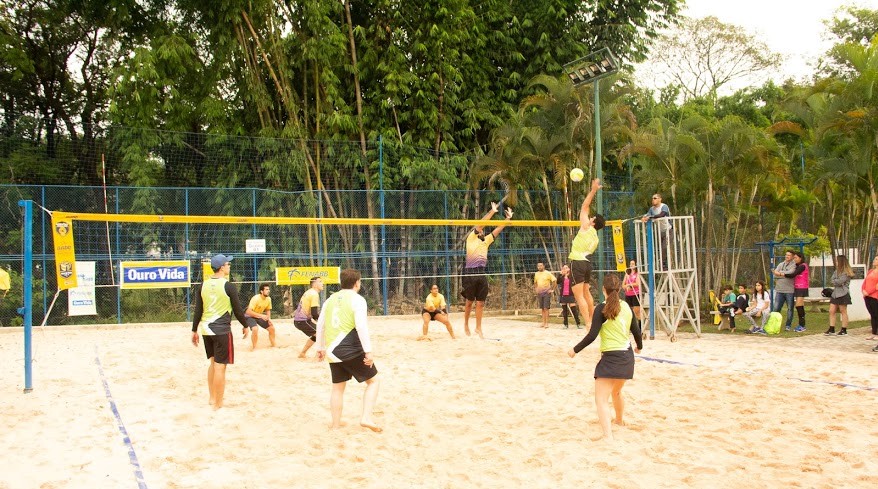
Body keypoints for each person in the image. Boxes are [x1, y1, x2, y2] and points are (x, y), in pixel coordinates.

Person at [567, 273, 643, 441]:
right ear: (619, 289)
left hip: (611, 359)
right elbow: (637, 332)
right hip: (627, 359)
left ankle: (608, 436)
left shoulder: (601, 308)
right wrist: (640, 347)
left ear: (603, 289)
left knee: (601, 399)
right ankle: (619, 421)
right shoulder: (627, 308)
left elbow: (592, 336)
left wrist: (575, 349)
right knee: (616, 392)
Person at [316, 269, 381, 432]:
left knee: (337, 388)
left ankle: (336, 425)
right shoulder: (358, 300)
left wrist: (320, 347)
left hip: (331, 350)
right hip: (349, 348)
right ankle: (366, 417)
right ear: (357, 283)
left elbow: (320, 325)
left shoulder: (329, 299)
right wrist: (369, 351)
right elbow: (361, 326)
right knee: (374, 381)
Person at [190, 254, 249, 410]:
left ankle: (212, 397)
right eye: (228, 264)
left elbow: (198, 310)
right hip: (222, 330)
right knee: (220, 367)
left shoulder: (203, 285)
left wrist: (194, 330)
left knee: (212, 363)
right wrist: (245, 325)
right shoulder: (228, 286)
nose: (229, 266)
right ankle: (218, 404)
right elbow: (237, 309)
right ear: (222, 267)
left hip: (206, 330)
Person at [461, 202, 513, 339]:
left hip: (481, 272)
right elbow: (481, 224)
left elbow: (497, 230)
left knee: (481, 303)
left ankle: (478, 327)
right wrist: (492, 211)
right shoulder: (471, 238)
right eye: (481, 229)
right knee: (469, 302)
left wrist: (508, 219)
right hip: (470, 272)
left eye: (483, 230)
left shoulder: (486, 241)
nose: (482, 230)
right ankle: (466, 324)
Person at [569, 178, 605, 330]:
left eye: (592, 218)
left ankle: (589, 323)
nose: (589, 218)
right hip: (587, 264)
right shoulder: (596, 237)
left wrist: (593, 190)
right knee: (586, 292)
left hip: (577, 262)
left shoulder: (586, 227)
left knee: (579, 296)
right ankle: (592, 320)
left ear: (593, 222)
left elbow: (585, 206)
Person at [293, 277, 324, 358]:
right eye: (320, 282)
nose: (322, 283)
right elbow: (315, 314)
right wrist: (323, 322)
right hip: (302, 321)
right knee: (320, 334)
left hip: (302, 320)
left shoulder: (310, 292)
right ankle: (319, 355)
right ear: (314, 284)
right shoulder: (314, 294)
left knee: (318, 334)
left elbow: (313, 314)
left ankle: (302, 353)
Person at [641, 193, 672, 269]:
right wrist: (644, 217)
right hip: (659, 231)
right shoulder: (652, 209)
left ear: (660, 199)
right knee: (661, 248)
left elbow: (662, 215)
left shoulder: (664, 206)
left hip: (668, 230)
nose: (653, 200)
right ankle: (663, 264)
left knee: (665, 247)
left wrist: (650, 217)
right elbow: (648, 214)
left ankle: (664, 263)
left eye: (655, 198)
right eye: (652, 198)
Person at [824, 255, 853, 336]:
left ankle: (844, 329)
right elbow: (832, 279)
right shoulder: (836, 271)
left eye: (837, 261)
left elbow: (839, 281)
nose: (836, 262)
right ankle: (831, 328)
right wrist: (836, 281)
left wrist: (836, 281)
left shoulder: (846, 272)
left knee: (843, 311)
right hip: (835, 293)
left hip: (843, 293)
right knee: (831, 310)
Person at [242, 283, 276, 350]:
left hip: (258, 316)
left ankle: (273, 345)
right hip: (249, 316)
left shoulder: (268, 299)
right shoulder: (256, 298)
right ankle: (254, 347)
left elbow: (268, 310)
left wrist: (268, 319)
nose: (268, 291)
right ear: (261, 291)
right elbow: (248, 312)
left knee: (272, 328)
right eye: (266, 289)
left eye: (268, 289)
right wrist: (261, 316)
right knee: (255, 329)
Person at [771, 250, 797, 332]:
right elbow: (774, 273)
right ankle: (774, 325)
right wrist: (782, 274)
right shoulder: (781, 264)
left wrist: (780, 273)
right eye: (786, 255)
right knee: (776, 308)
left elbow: (791, 273)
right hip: (779, 290)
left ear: (792, 256)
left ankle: (788, 325)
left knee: (790, 309)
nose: (787, 256)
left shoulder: (794, 265)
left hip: (790, 291)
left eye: (789, 255)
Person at [787, 251, 809, 332]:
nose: (794, 259)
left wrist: (781, 274)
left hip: (802, 287)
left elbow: (793, 274)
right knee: (800, 305)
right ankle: (802, 324)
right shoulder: (798, 265)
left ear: (801, 258)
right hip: (797, 287)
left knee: (798, 305)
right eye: (794, 258)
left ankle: (802, 325)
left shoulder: (803, 266)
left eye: (796, 258)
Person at [557, 264, 581, 329]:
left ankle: (578, 324)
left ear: (569, 269)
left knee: (574, 309)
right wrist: (560, 274)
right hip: (563, 295)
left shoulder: (571, 276)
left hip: (570, 295)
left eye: (566, 268)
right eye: (563, 268)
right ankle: (565, 324)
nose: (565, 269)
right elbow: (557, 282)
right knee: (564, 311)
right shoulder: (561, 277)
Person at [534, 262, 557, 329]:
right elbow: (535, 282)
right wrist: (536, 289)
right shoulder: (536, 274)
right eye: (538, 266)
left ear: (543, 266)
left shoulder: (547, 273)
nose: (539, 267)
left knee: (546, 308)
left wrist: (552, 290)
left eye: (541, 265)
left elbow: (554, 280)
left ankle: (547, 323)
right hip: (540, 293)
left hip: (546, 293)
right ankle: (543, 322)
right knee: (542, 308)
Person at [861, 256, 878, 341]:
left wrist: (869, 292)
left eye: (876, 259)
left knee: (876, 314)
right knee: (872, 315)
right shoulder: (870, 271)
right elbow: (865, 282)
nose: (874, 260)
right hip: (867, 296)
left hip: (875, 296)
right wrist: (863, 290)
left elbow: (876, 286)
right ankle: (873, 332)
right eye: (874, 259)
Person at [623, 260, 641, 334]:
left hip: (635, 294)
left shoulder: (637, 274)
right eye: (630, 264)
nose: (631, 265)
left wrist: (630, 285)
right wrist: (626, 286)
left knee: (637, 312)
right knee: (628, 312)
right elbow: (623, 284)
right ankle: (630, 327)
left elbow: (637, 283)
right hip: (628, 294)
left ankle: (640, 328)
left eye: (633, 264)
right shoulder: (627, 274)